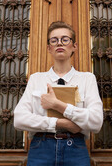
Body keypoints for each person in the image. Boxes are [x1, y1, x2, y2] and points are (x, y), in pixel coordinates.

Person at [14, 21, 103, 166]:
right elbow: (19, 119)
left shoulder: (87, 79)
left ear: (74, 46)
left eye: (65, 39)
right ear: (49, 48)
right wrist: (60, 123)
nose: (59, 43)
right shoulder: (37, 79)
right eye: (54, 40)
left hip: (76, 148)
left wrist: (58, 105)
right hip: (41, 148)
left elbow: (96, 121)